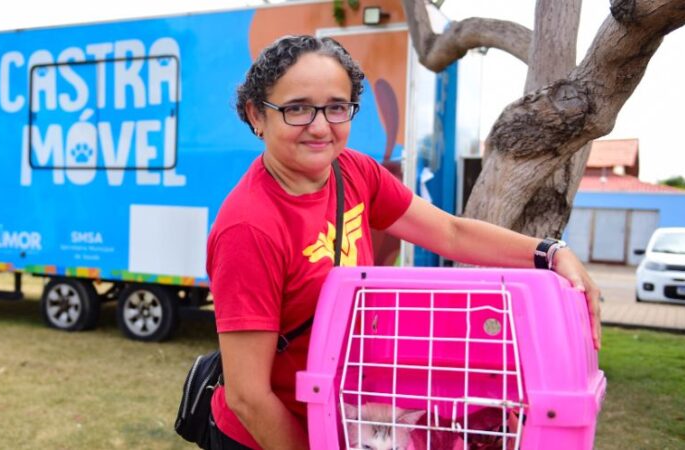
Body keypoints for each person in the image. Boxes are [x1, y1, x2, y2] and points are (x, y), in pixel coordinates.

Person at [205, 35, 601, 450]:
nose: (320, 126)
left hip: (337, 422)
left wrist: (551, 252)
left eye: (336, 107)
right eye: (297, 108)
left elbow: (451, 232)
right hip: (264, 438)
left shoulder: (354, 172)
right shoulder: (249, 228)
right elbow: (248, 397)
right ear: (256, 115)